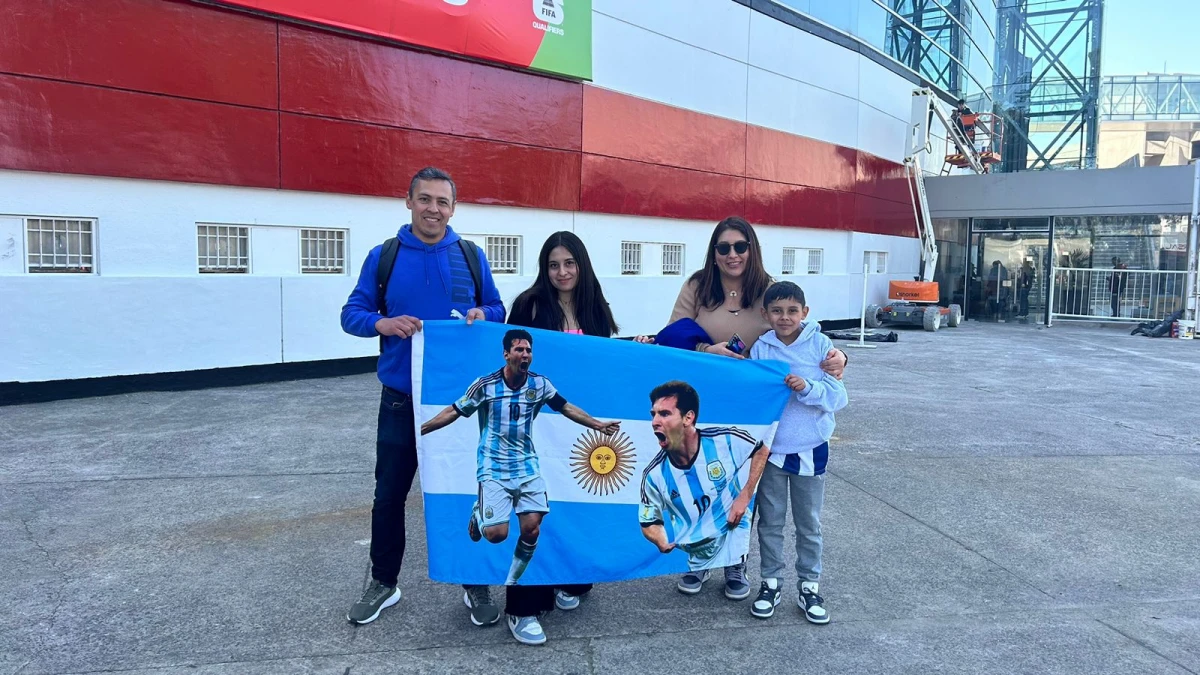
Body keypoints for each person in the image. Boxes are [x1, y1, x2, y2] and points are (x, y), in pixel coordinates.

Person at [340, 167, 507, 626]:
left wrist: (482, 312)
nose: (434, 209)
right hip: (399, 399)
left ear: (454, 208)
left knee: (465, 491)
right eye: (425, 199)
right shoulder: (384, 257)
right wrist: (382, 323)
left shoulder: (471, 256)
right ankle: (383, 581)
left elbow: (497, 308)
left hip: (460, 403)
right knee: (389, 496)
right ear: (408, 202)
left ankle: (473, 581)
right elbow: (351, 314)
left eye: (443, 201)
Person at [666, 215, 847, 599]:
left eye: (740, 246)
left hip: (754, 406)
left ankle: (735, 564)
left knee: (743, 485)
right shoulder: (697, 287)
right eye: (723, 247)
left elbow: (804, 338)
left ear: (752, 249)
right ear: (713, 253)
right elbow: (672, 336)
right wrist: (705, 350)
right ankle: (700, 560)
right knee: (704, 480)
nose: (732, 254)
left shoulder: (768, 289)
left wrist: (838, 356)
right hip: (704, 397)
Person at [494, 231, 649, 645]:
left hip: (578, 431)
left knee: (578, 503)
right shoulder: (528, 305)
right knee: (533, 512)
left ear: (581, 265)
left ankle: (571, 580)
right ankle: (523, 606)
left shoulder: (595, 307)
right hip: (536, 427)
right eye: (553, 264)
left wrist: (636, 350)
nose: (562, 272)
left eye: (569, 263)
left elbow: (602, 361)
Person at [420, 328, 621, 645]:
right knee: (496, 535)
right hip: (493, 467)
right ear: (506, 354)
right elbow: (454, 410)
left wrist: (597, 424)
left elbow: (565, 406)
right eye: (518, 349)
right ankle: (479, 513)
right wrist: (421, 429)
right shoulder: (486, 385)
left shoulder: (540, 384)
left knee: (531, 528)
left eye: (528, 350)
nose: (524, 354)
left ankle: (514, 581)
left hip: (526, 466)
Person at [746, 282, 848, 623]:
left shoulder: (821, 345)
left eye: (792, 310)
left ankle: (809, 585)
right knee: (770, 522)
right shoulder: (761, 348)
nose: (784, 317)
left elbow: (838, 397)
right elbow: (752, 393)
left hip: (810, 449)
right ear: (765, 314)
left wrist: (808, 388)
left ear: (805, 312)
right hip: (772, 452)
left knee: (808, 524)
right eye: (777, 311)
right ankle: (770, 581)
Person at [638, 381, 770, 579]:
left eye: (664, 413)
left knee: (737, 524)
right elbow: (649, 521)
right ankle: (701, 566)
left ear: (688, 417)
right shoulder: (654, 474)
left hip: (732, 529)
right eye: (653, 414)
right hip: (697, 545)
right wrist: (660, 540)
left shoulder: (725, 440)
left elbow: (761, 449)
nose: (655, 421)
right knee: (690, 582)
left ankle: (735, 565)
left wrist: (745, 495)